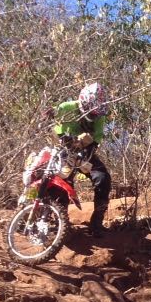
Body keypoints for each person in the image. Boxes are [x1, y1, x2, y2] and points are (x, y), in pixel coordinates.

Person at [43, 81, 113, 235]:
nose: (93, 115)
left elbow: (96, 140)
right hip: (62, 149)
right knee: (61, 181)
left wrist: (86, 148)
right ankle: (59, 222)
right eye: (91, 111)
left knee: (102, 177)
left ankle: (96, 223)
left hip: (83, 152)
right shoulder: (67, 107)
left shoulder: (99, 117)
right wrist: (49, 114)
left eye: (96, 112)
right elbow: (52, 115)